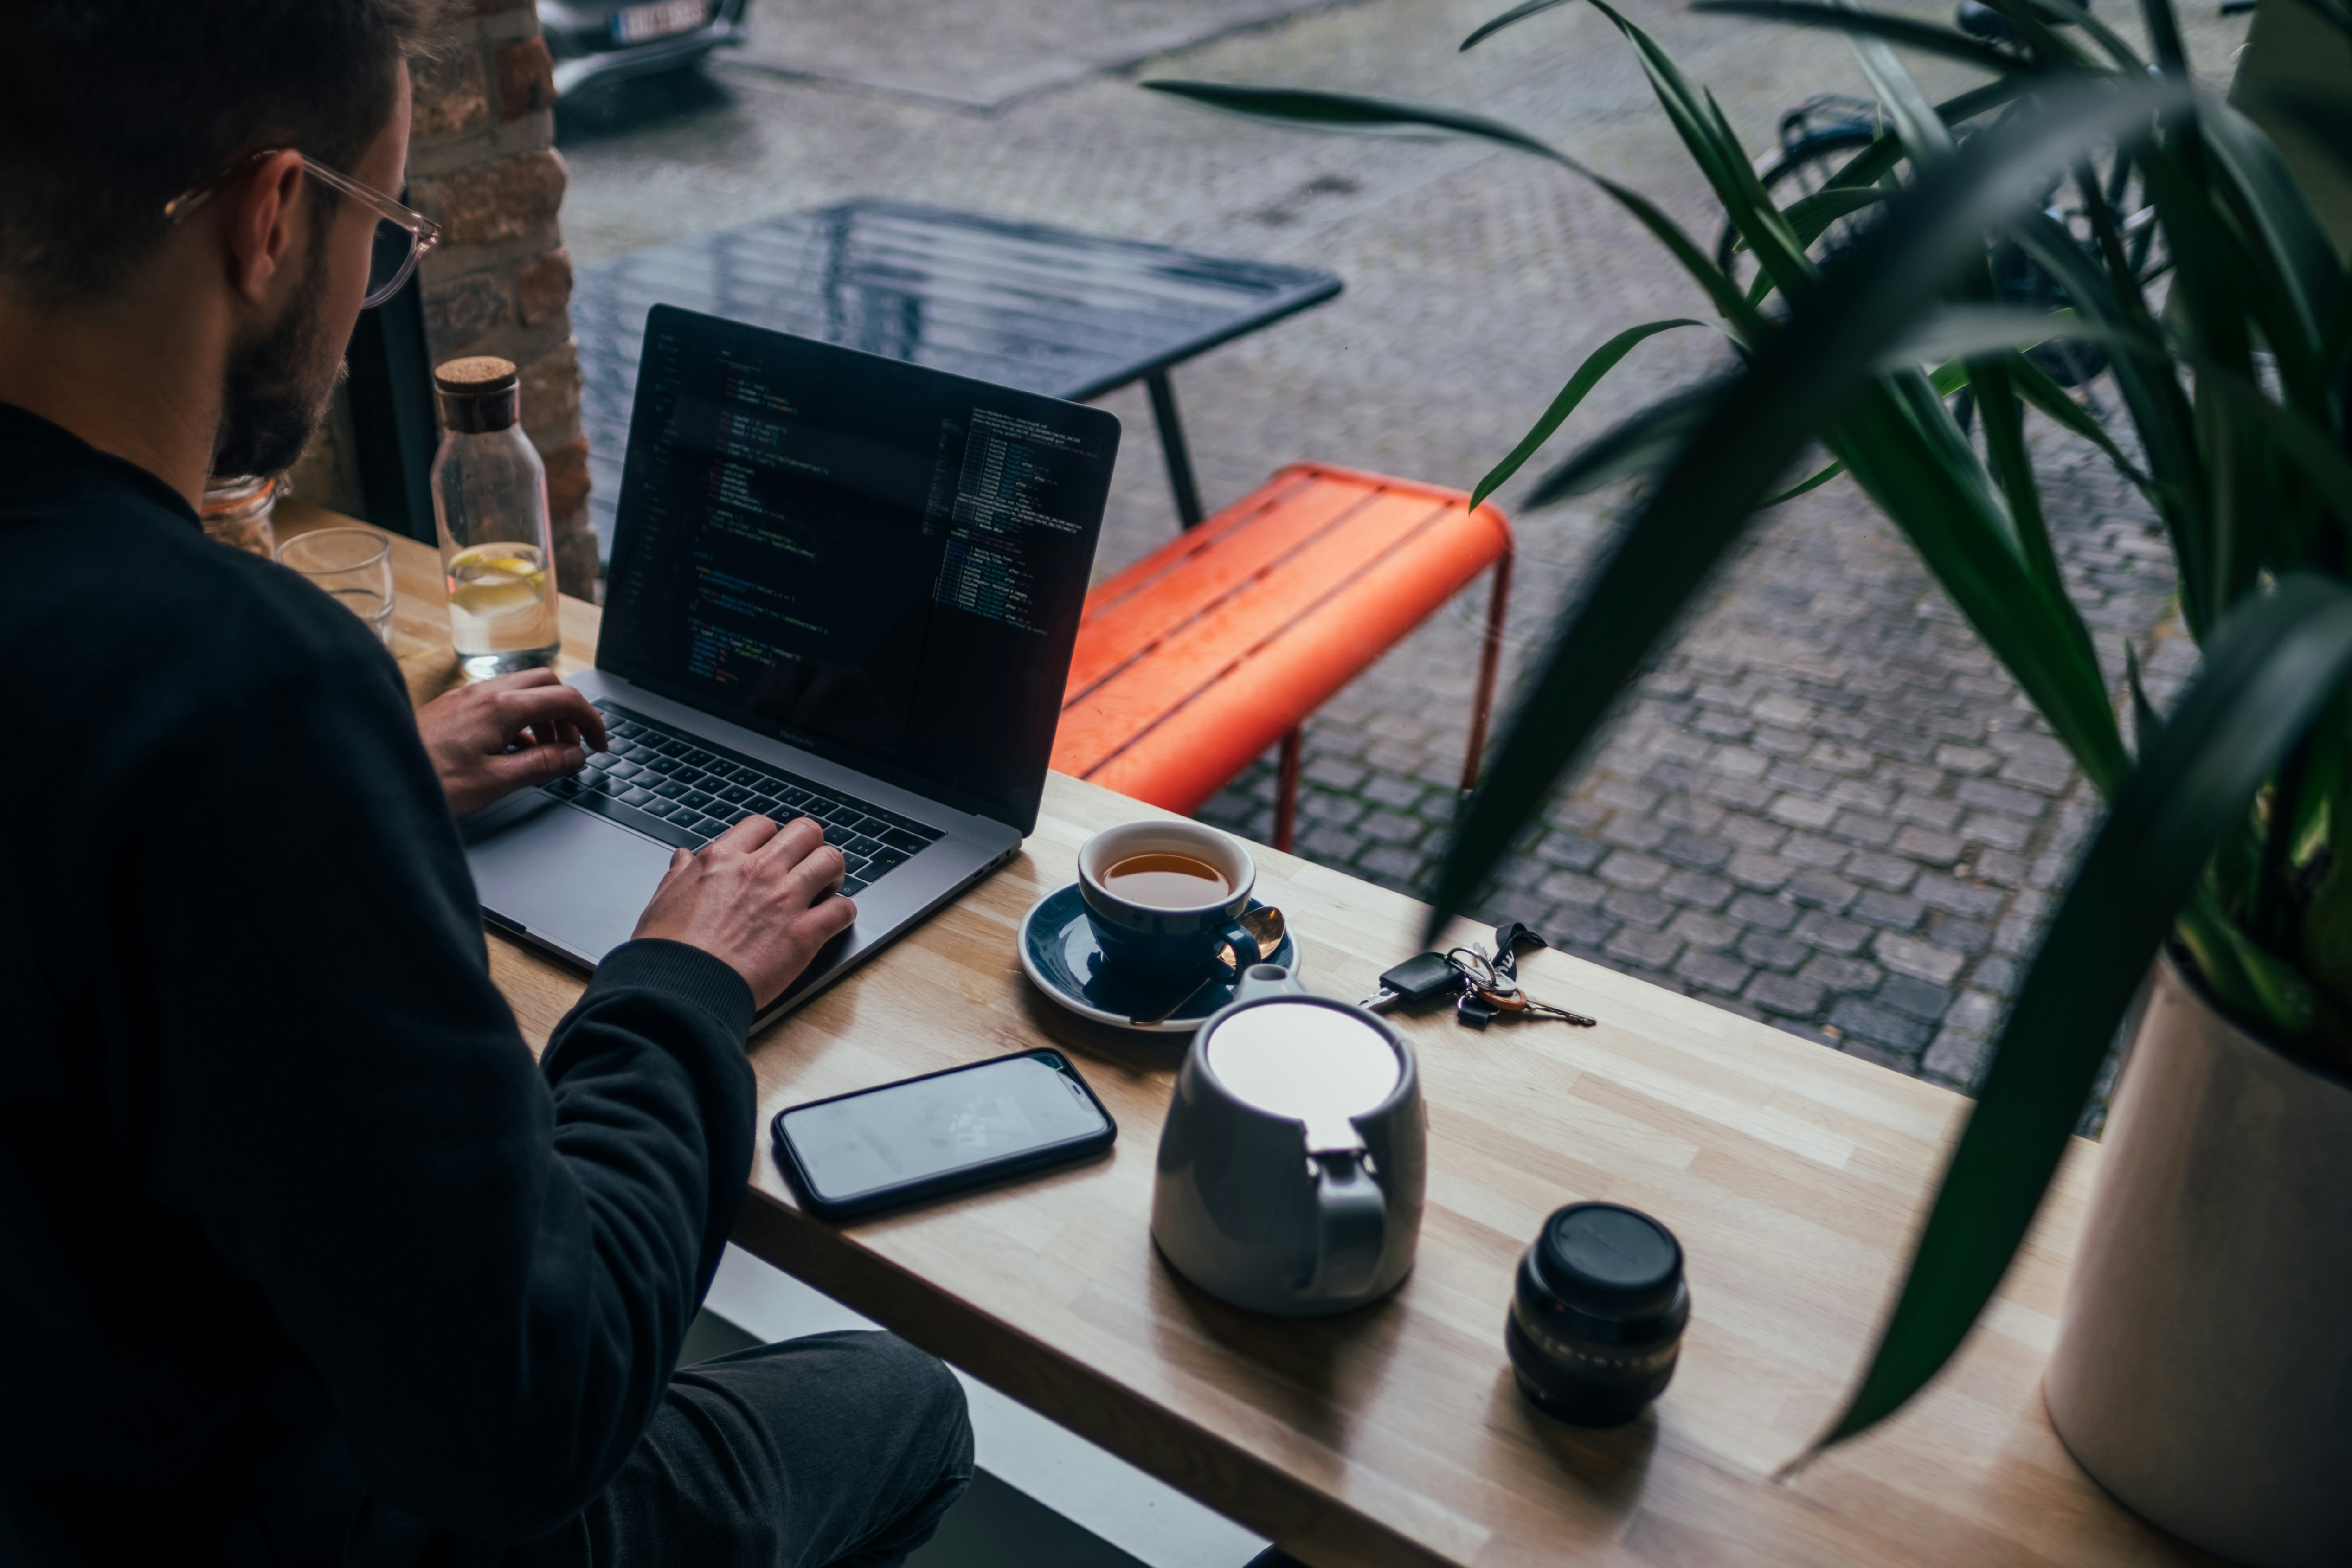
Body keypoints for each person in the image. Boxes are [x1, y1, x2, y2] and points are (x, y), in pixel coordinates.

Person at [0, 5, 972, 1565]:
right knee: (906, 1397)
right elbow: (531, 1411)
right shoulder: (244, 685)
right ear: (269, 214)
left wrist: (366, 787)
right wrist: (681, 981)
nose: (370, 285)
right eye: (383, 229)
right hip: (295, 1519)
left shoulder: (189, 696)